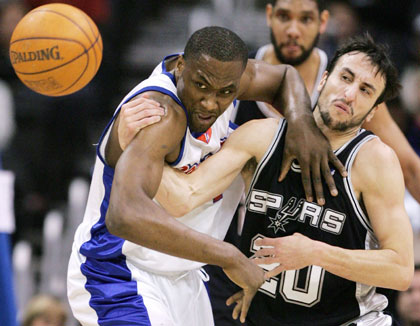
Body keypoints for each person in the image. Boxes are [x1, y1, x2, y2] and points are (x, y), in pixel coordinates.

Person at [67, 26, 344, 326]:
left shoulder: (224, 76)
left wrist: (302, 122)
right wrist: (230, 256)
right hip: (121, 273)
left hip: (184, 278)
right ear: (181, 66)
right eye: (201, 86)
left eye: (226, 92)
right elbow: (125, 215)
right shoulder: (160, 114)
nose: (211, 102)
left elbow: (285, 76)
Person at [145, 34, 414, 325]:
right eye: (345, 78)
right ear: (323, 79)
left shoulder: (375, 161)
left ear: (374, 110)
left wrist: (314, 253)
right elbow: (182, 196)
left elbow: (400, 270)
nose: (349, 94)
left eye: (365, 90)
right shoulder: (262, 136)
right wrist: (138, 143)